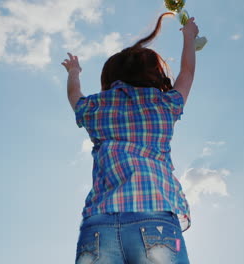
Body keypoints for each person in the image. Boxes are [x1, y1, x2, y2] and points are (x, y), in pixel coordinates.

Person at [62, 12, 199, 264]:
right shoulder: (164, 105)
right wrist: (189, 38)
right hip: (155, 216)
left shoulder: (95, 108)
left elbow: (74, 95)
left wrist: (74, 72)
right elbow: (187, 73)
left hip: (98, 223)